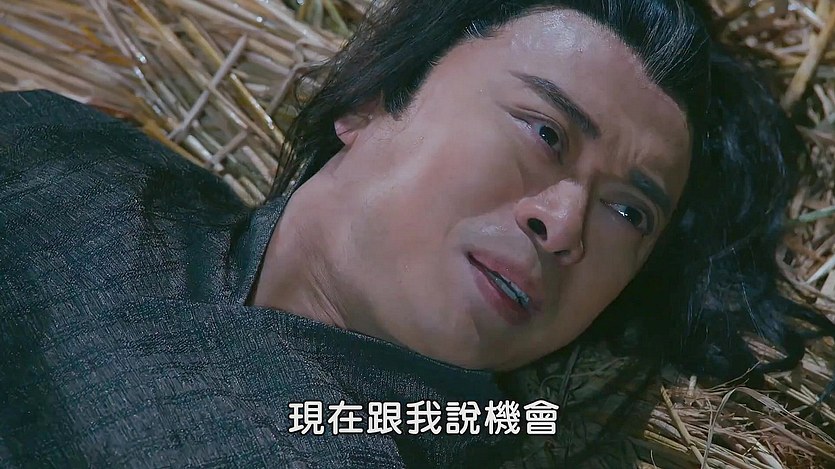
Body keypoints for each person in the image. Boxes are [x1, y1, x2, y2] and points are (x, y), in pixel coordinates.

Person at [1, 0, 832, 467]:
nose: (563, 224)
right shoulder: (56, 162)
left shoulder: (468, 432)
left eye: (628, 212)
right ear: (373, 101)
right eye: (545, 132)